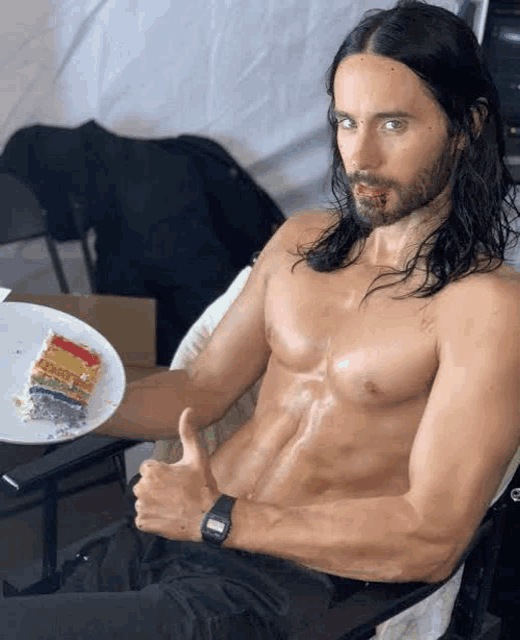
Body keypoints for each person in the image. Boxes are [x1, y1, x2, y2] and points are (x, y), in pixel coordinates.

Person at [3, 1, 520, 637]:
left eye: (392, 125)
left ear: (465, 126)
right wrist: (46, 388)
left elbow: (433, 535)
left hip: (268, 587)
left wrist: (217, 517)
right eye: (345, 122)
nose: (360, 156)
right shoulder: (301, 242)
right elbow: (194, 394)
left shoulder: (486, 306)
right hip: (160, 540)